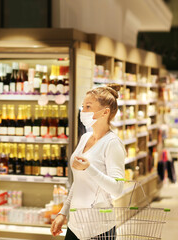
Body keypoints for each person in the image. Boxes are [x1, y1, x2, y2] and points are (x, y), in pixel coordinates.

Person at [51, 84, 126, 240]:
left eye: (88, 107)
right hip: (75, 226)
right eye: (83, 106)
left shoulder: (112, 143)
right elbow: (78, 183)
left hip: (99, 229)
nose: (82, 111)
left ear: (105, 112)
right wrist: (63, 212)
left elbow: (118, 189)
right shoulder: (85, 138)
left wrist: (89, 168)